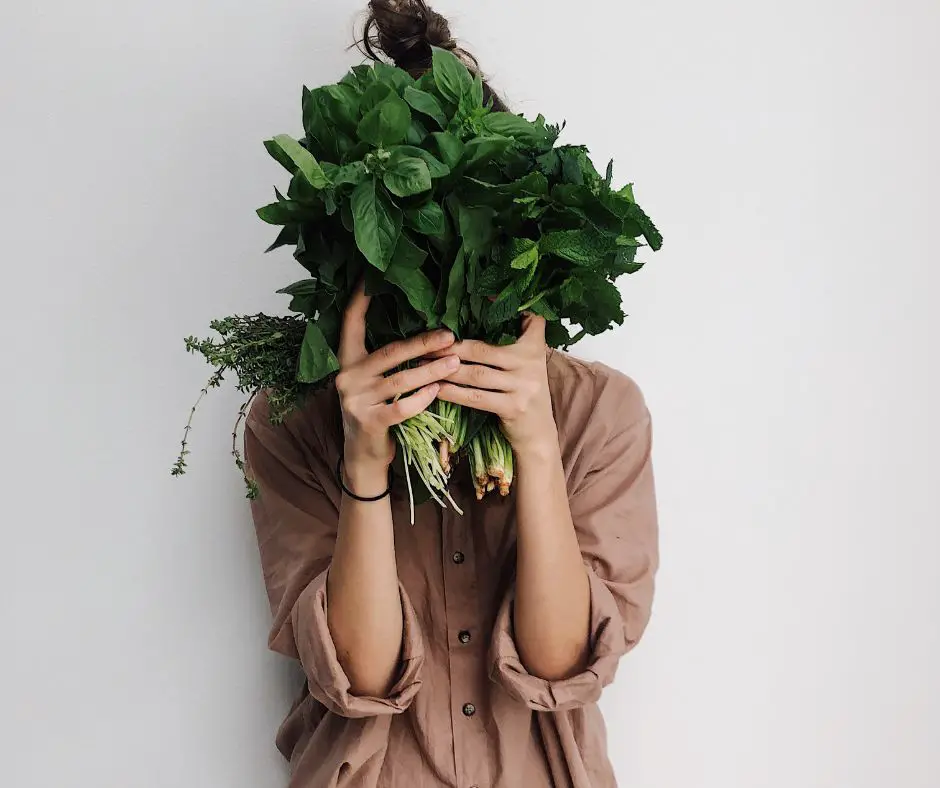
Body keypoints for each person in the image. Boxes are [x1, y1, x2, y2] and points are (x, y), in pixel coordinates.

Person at [243, 3, 659, 786]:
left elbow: (559, 664)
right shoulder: (293, 421)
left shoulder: (598, 413)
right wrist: (365, 462)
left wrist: (534, 441)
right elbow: (359, 681)